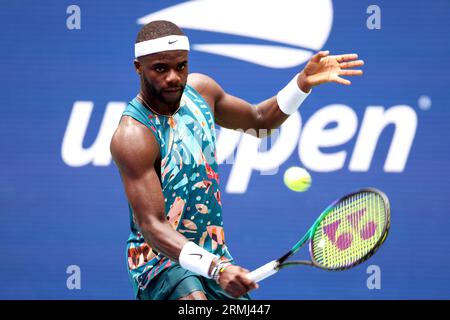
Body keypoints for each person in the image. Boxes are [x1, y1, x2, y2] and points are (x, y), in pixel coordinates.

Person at [110, 20, 363, 300]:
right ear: (138, 67)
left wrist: (301, 83)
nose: (173, 77)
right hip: (160, 261)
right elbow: (152, 226)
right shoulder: (133, 135)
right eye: (160, 68)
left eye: (181, 66)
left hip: (213, 254)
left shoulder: (201, 92)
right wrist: (216, 269)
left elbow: (260, 121)